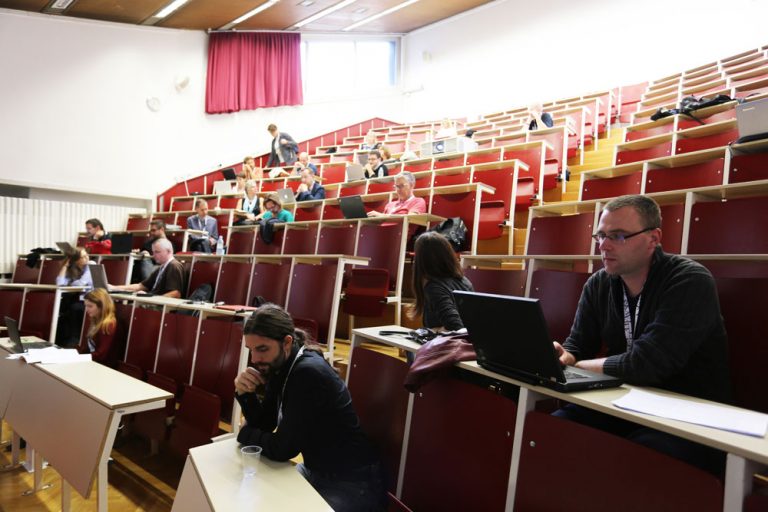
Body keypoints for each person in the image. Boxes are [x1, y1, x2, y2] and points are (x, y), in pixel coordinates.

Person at [552, 194, 731, 475]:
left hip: (688, 414)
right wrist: (564, 356)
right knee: (556, 428)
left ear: (653, 238)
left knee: (639, 457)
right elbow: (578, 344)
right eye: (601, 236)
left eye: (618, 236)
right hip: (623, 402)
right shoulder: (598, 283)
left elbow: (648, 363)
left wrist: (577, 366)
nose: (604, 245)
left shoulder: (689, 280)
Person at [234, 305, 386, 512]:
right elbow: (266, 423)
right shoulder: (281, 365)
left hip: (352, 483)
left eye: (262, 349)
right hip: (318, 471)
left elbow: (282, 449)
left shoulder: (307, 373)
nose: (254, 359)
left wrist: (245, 433)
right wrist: (245, 394)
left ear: (287, 342)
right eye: (250, 349)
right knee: (256, 499)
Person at [410, 231, 474, 331]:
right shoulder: (464, 281)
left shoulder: (434, 288)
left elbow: (456, 327)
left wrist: (435, 330)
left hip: (454, 341)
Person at [111, 238, 185, 298]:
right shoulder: (162, 267)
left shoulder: (174, 266)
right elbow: (141, 286)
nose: (154, 255)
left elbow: (175, 294)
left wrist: (151, 298)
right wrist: (114, 288)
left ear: (168, 251)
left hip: (159, 306)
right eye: (153, 252)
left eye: (157, 252)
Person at [55, 247, 94, 347]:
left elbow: (81, 283)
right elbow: (60, 284)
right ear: (76, 260)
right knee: (62, 308)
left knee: (75, 308)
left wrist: (71, 284)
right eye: (83, 257)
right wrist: (65, 266)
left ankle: (75, 339)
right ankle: (62, 340)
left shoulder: (91, 265)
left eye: (86, 255)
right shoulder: (73, 270)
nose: (87, 258)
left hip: (92, 300)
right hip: (79, 300)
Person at [78, 289, 124, 368]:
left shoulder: (109, 324)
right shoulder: (96, 320)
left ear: (101, 306)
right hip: (93, 362)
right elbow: (89, 348)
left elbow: (101, 355)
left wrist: (80, 358)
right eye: (85, 306)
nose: (86, 309)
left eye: (90, 306)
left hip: (103, 367)